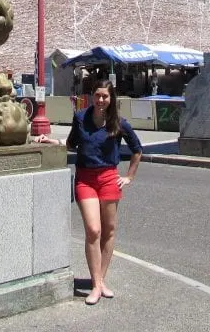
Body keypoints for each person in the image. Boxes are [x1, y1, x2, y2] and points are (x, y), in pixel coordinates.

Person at [37, 77, 142, 305]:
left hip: (108, 178)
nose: (101, 100)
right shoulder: (81, 118)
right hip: (85, 178)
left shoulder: (119, 122)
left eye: (105, 96)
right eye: (97, 95)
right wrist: (51, 142)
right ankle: (96, 285)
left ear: (111, 98)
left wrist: (129, 176)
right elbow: (72, 143)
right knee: (94, 230)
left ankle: (100, 280)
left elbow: (137, 150)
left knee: (109, 230)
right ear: (92, 96)